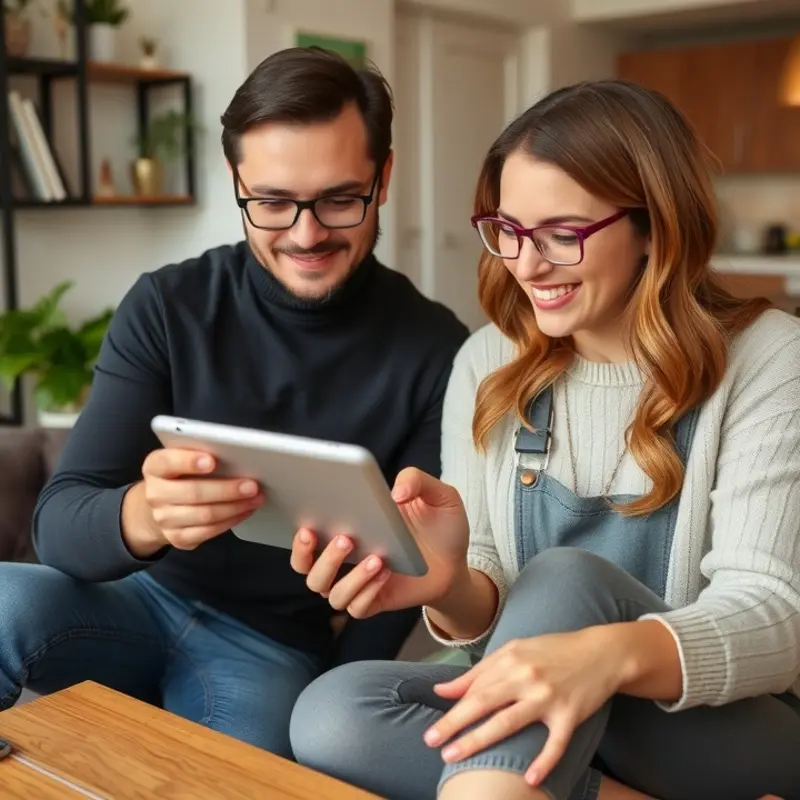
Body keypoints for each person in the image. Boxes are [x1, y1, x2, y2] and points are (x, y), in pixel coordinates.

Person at [287, 80, 800, 800]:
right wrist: (452, 584)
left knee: (565, 580)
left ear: (654, 227)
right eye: (509, 230)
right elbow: (492, 622)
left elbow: (775, 619)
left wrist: (600, 658)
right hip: (548, 729)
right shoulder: (487, 362)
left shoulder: (769, 358)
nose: (525, 265)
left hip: (719, 728)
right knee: (335, 713)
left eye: (563, 234)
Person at [0, 47, 468, 758]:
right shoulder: (169, 305)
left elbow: (402, 577)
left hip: (270, 649)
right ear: (235, 181)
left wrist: (328, 714)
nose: (307, 234)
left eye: (340, 199)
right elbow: (60, 524)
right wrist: (145, 515)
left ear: (385, 177)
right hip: (130, 600)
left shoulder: (438, 351)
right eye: (273, 203)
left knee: (240, 775)